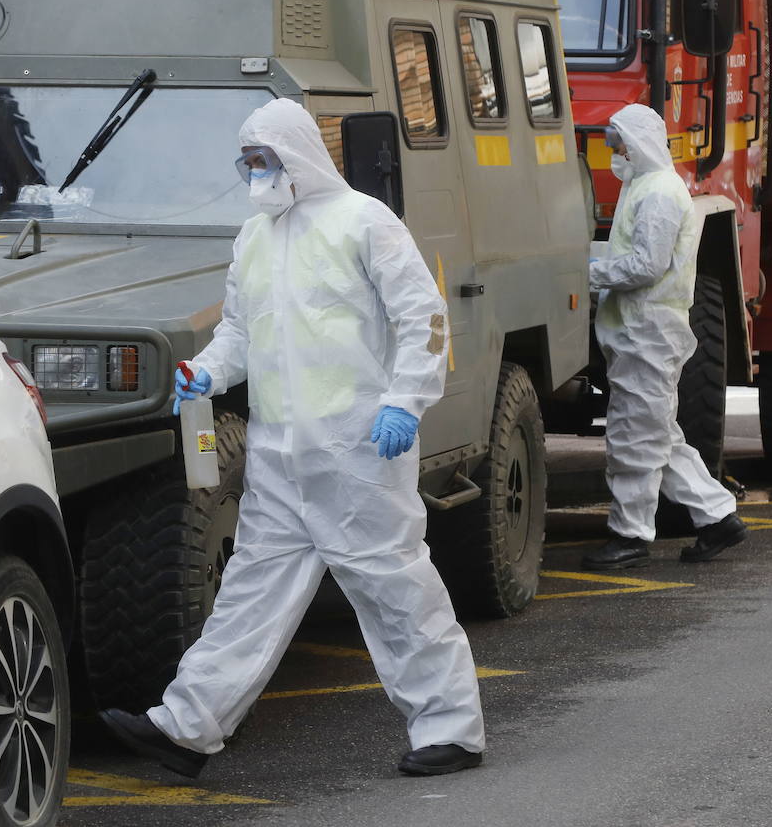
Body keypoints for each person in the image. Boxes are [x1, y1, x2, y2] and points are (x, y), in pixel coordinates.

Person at [99, 98, 485, 778]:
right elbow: (241, 332)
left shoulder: (365, 222)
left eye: (264, 158)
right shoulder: (254, 237)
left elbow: (422, 316)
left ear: (299, 154)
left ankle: (451, 728)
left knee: (397, 592)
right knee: (249, 597)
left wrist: (404, 402)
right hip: (280, 459)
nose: (255, 172)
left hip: (360, 451)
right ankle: (187, 727)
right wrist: (207, 371)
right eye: (247, 161)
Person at [583, 103, 749, 569]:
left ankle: (630, 536)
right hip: (639, 333)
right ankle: (718, 518)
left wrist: (589, 274)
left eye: (617, 142)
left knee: (635, 437)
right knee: (659, 435)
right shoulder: (643, 187)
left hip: (647, 334)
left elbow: (646, 265)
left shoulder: (658, 192)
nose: (612, 150)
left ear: (637, 144)